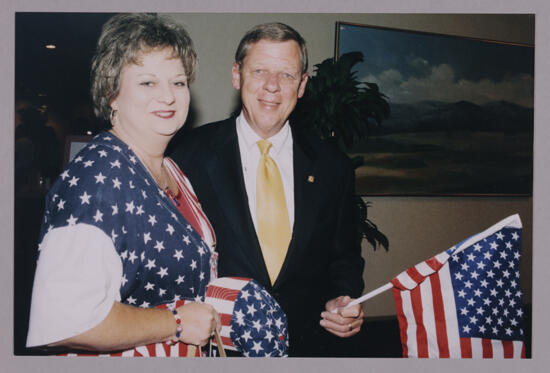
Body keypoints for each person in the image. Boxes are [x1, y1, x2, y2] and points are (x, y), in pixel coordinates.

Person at [26, 13, 221, 357]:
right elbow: (67, 320)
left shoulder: (173, 170)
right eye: (148, 82)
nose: (169, 97)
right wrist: (176, 323)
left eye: (178, 82)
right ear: (111, 93)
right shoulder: (97, 176)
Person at [171, 22, 365, 357]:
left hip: (308, 348)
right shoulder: (185, 158)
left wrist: (344, 299)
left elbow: (344, 259)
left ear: (302, 85)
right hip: (216, 350)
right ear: (237, 75)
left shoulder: (333, 167)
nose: (272, 86)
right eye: (259, 70)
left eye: (287, 75)